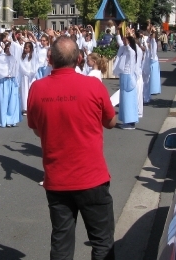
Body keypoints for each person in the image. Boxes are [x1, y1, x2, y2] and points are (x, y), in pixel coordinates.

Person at [27, 36, 117, 260]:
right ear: (79, 59)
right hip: (92, 178)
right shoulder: (93, 86)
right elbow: (111, 122)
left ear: (50, 59)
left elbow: (36, 128)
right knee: (102, 241)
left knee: (61, 241)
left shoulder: (37, 89)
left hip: (57, 180)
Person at [113, 27, 138, 129]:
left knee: (128, 100)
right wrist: (118, 32)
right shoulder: (123, 48)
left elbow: (129, 49)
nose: (124, 42)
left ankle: (130, 122)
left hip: (128, 76)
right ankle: (126, 120)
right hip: (124, 76)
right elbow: (120, 41)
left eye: (126, 40)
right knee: (123, 100)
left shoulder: (131, 51)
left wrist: (129, 37)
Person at [0, 40, 22, 127]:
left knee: (13, 102)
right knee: (3, 101)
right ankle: (2, 119)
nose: (9, 50)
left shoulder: (15, 57)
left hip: (13, 81)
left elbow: (19, 48)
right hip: (4, 81)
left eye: (11, 48)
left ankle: (11, 120)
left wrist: (10, 41)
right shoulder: (1, 57)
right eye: (8, 48)